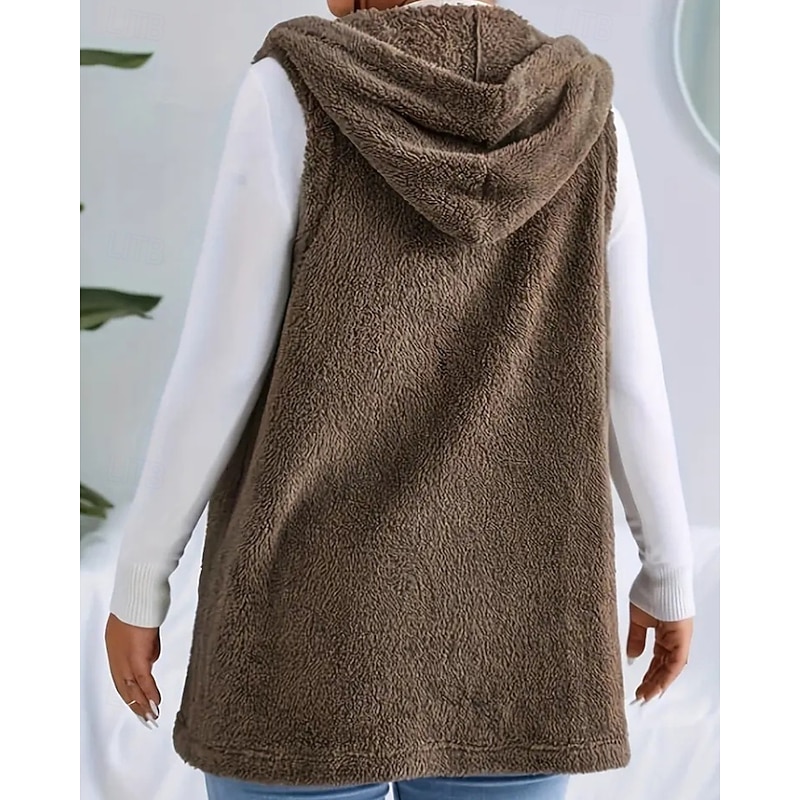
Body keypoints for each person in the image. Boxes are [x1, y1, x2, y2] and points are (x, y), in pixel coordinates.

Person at [103, 1, 696, 799]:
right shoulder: (587, 116)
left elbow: (220, 367)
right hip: (519, 634)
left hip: (306, 636)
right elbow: (630, 376)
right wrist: (667, 571)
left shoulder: (294, 90)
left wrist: (143, 579)